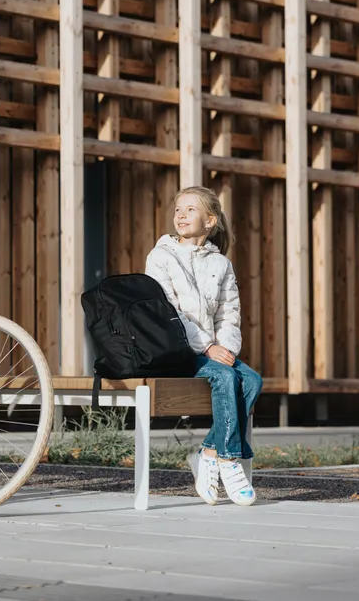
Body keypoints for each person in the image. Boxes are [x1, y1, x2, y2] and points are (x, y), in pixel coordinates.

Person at [144, 186, 261, 506]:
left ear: (210, 221)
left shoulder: (221, 264)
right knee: (226, 377)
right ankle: (229, 459)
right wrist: (208, 347)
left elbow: (229, 314)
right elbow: (168, 313)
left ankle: (208, 453)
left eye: (190, 210)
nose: (180, 215)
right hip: (176, 351)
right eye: (177, 209)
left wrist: (226, 349)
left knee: (251, 379)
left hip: (211, 349)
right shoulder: (161, 257)